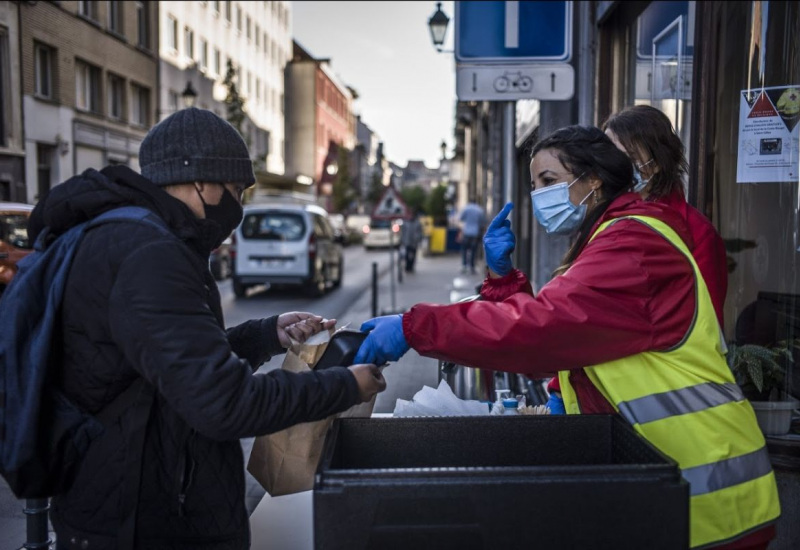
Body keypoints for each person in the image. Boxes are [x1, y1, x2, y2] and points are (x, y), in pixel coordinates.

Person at [354, 125, 779, 550]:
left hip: (708, 494)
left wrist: (415, 326)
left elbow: (545, 327)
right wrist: (503, 280)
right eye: (534, 184)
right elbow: (556, 343)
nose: (538, 196)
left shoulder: (633, 245)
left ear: (593, 181)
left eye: (549, 181)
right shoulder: (608, 238)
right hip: (667, 480)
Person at [30, 107, 386, 549]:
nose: (237, 208)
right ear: (201, 182)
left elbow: (172, 365)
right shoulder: (148, 255)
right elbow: (223, 402)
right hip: (145, 520)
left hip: (139, 499)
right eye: (236, 191)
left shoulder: (137, 239)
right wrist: (345, 386)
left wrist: (266, 334)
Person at [547, 104, 731, 412]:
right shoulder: (602, 222)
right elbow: (576, 312)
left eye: (625, 157)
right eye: (607, 156)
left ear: (655, 162)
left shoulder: (696, 234)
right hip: (593, 399)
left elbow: (703, 332)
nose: (613, 165)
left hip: (655, 405)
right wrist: (558, 386)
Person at [458, 198, 486, 274]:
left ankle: (464, 265)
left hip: (467, 232)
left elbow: (461, 218)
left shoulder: (466, 209)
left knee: (464, 249)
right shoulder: (479, 210)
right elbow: (483, 222)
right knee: (474, 250)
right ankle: (472, 267)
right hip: (475, 233)